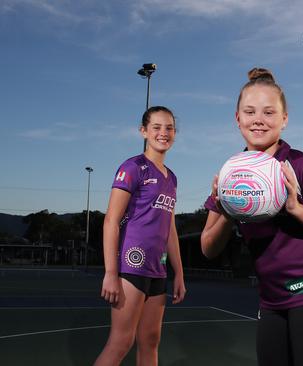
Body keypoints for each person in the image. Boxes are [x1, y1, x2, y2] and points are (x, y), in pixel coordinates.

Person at [200, 67, 303, 366]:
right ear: (237, 118)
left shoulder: (301, 165)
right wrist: (228, 214)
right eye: (250, 111)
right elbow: (208, 247)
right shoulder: (231, 174)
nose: (258, 119)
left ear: (284, 119)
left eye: (269, 112)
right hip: (272, 299)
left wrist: (295, 207)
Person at [95, 106, 186, 366]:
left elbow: (169, 228)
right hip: (130, 267)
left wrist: (178, 273)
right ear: (143, 131)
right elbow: (111, 220)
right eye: (156, 127)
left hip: (157, 270)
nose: (163, 133)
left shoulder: (173, 178)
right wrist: (111, 273)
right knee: (121, 342)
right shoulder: (133, 167)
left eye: (169, 127)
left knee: (150, 341)